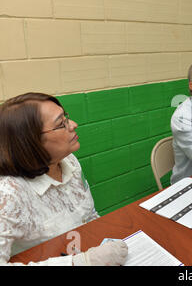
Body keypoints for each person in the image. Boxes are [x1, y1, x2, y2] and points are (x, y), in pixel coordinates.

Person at [0, 93, 128, 266]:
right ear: (30, 142)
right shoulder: (9, 194)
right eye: (61, 124)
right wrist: (84, 262)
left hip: (82, 247)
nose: (73, 125)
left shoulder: (69, 161)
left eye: (66, 117)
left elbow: (88, 214)